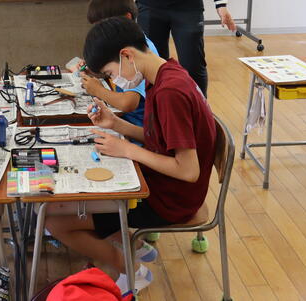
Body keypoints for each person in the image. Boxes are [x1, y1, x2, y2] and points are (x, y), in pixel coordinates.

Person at [45, 17, 217, 293]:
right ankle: (133, 246)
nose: (115, 81)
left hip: (169, 198)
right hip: (159, 182)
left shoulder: (169, 92)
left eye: (111, 74)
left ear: (126, 55)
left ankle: (132, 269)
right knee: (72, 199)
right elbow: (160, 138)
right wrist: (117, 125)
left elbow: (188, 171)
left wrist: (128, 149)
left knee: (55, 220)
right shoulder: (163, 73)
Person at [80, 0, 159, 132]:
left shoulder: (140, 52)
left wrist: (98, 90)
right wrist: (99, 69)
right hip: (125, 121)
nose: (99, 33)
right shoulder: (125, 46)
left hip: (138, 127)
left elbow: (128, 103)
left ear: (126, 18)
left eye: (103, 26)